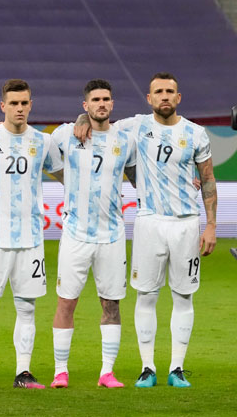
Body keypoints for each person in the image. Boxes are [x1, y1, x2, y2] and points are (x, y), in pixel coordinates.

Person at [76, 72, 216, 388]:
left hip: (185, 224)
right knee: (146, 295)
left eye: (170, 91)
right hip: (149, 221)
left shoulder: (195, 133)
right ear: (148, 98)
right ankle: (147, 367)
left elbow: (207, 179)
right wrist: (81, 117)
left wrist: (210, 225)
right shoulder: (136, 126)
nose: (164, 96)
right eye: (158, 92)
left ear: (178, 98)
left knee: (184, 295)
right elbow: (99, 118)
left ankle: (177, 368)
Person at [0, 79, 63, 391]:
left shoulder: (42, 141)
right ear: (3, 106)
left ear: (31, 105)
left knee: (27, 307)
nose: (19, 108)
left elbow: (64, 174)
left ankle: (24, 372)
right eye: (14, 103)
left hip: (31, 239)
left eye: (24, 103)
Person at [49, 80, 136, 389]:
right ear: (85, 106)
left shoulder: (125, 141)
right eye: (96, 100)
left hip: (112, 235)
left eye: (107, 99)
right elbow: (40, 154)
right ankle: (61, 371)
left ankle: (107, 373)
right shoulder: (64, 134)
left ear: (112, 104)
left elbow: (141, 180)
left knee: (111, 305)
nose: (102, 103)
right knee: (66, 303)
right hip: (75, 233)